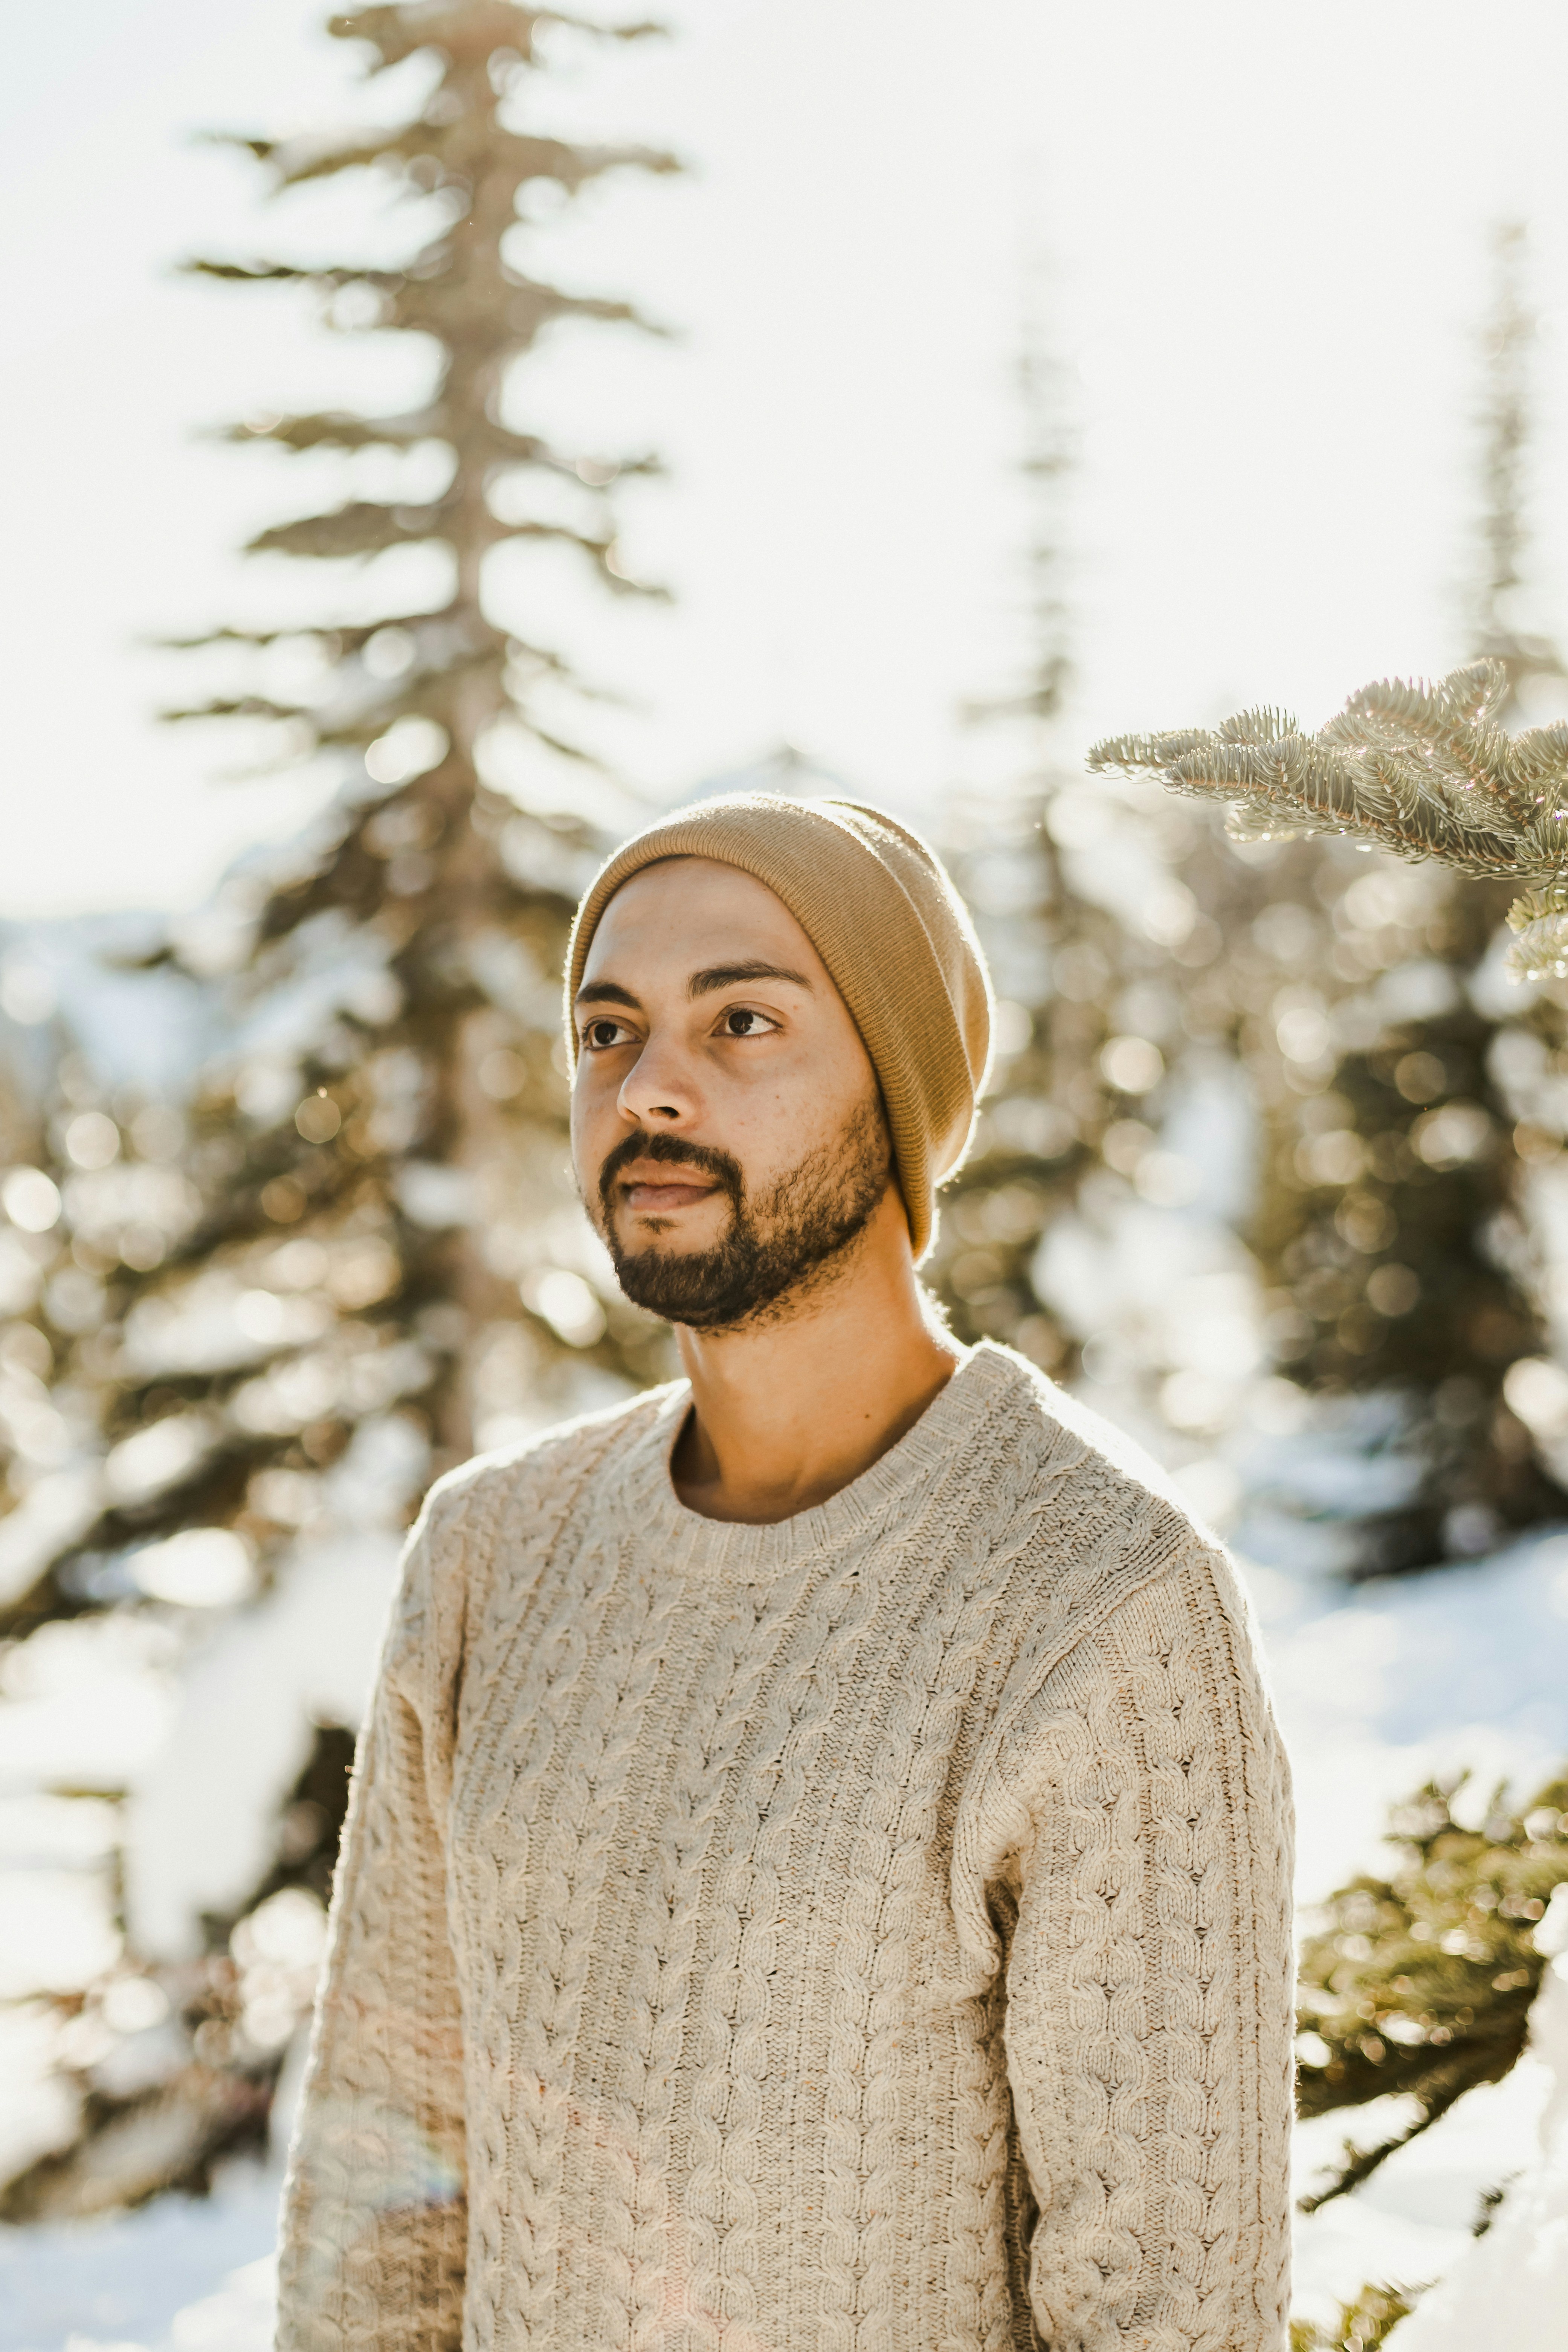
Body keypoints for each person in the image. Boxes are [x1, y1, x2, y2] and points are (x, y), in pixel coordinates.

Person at [276, 794, 1295, 2352]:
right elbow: (380, 2206)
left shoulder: (1106, 1608)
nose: (651, 1088)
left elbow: (1172, 2315)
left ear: (891, 1087)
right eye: (607, 1030)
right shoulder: (489, 1554)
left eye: (741, 1019)